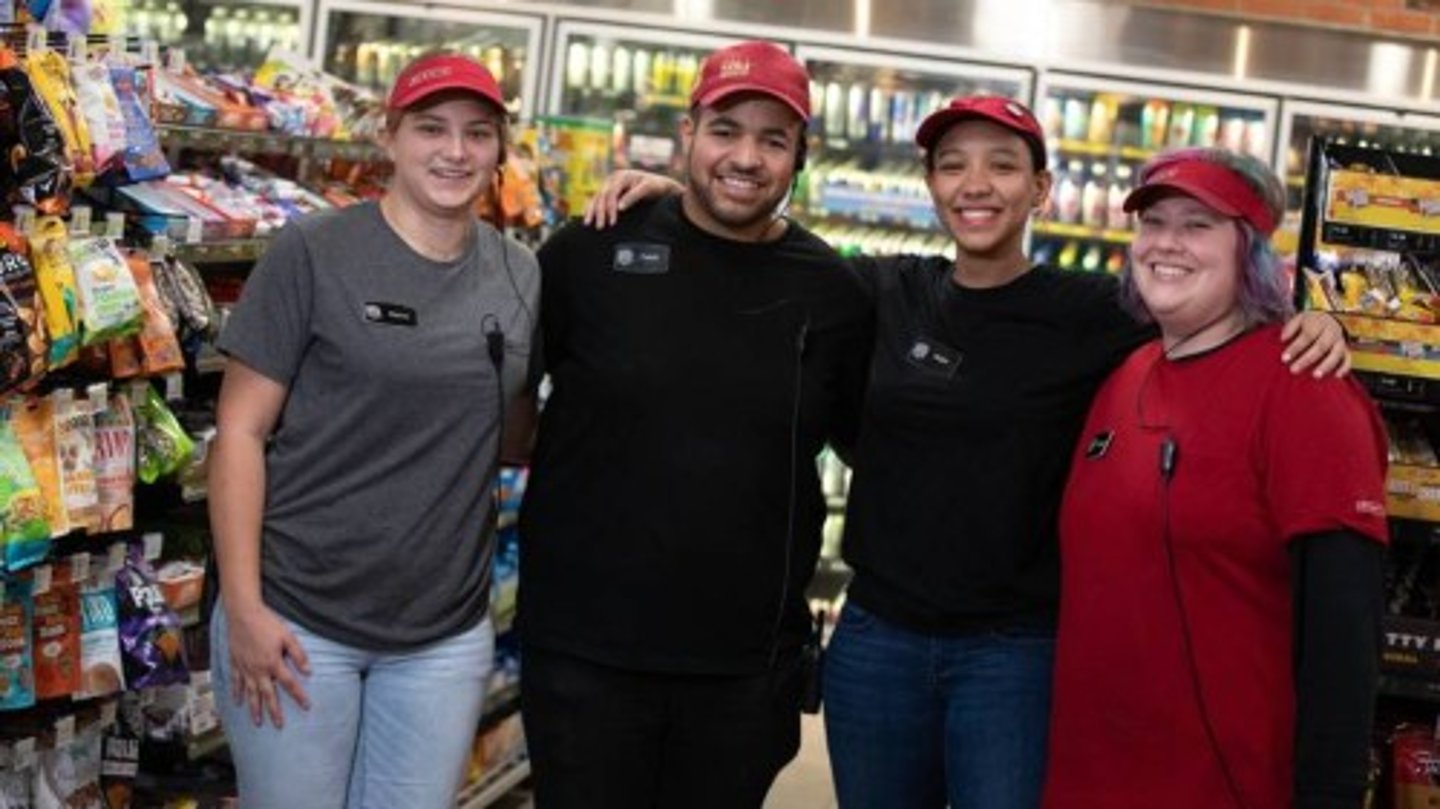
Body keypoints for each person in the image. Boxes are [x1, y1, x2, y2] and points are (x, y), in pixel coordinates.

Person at [585, 96, 1348, 808]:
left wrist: (1310, 323)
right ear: (931, 185)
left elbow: (1212, 307)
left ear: (1042, 189)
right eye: (953, 164)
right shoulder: (881, 290)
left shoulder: (1097, 314)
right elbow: (764, 256)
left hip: (1013, 656)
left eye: (1002, 165)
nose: (975, 183)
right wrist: (679, 203)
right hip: (877, 640)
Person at [517, 40, 873, 809]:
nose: (745, 157)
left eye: (773, 140)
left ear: (800, 158)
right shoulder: (588, 250)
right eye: (725, 130)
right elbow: (504, 400)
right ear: (688, 134)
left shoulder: (835, 294)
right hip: (584, 653)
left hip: (742, 670)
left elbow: (878, 442)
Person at [207, 52, 540, 809]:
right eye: (431, 128)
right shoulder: (313, 251)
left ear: (497, 151)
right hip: (298, 618)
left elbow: (515, 427)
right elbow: (238, 432)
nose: (455, 151)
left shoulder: (521, 273)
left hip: (442, 633)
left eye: (477, 133)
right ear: (389, 138)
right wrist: (247, 608)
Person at [1042, 149, 1386, 809]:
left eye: (1197, 224)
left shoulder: (1303, 389)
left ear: (1251, 253)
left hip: (1223, 783)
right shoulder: (1128, 372)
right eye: (1154, 222)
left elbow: (1344, 638)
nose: (1166, 244)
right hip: (1088, 775)